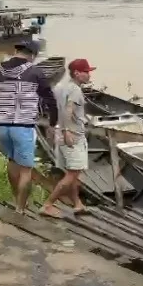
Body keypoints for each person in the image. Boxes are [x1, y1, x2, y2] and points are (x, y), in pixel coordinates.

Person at [0, 40, 58, 214]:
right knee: (26, 170)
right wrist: (52, 123)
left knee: (12, 162)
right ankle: (20, 209)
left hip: (2, 127)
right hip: (23, 126)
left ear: (16, 51)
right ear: (33, 55)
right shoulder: (35, 72)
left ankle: (16, 201)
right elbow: (50, 100)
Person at [39, 58, 96, 218]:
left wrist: (53, 127)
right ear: (77, 73)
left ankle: (77, 204)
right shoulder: (75, 91)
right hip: (73, 136)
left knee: (73, 173)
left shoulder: (59, 87)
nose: (89, 75)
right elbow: (68, 110)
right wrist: (67, 131)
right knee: (72, 175)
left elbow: (53, 107)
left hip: (60, 134)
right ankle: (48, 204)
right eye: (86, 72)